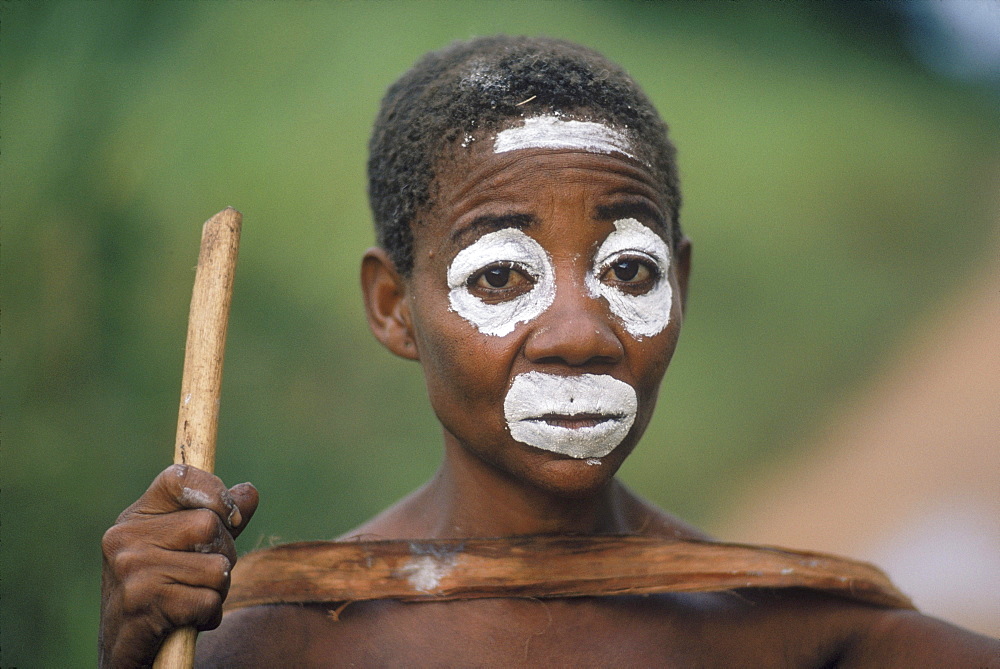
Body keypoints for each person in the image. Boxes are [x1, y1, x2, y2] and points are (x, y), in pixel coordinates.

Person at [100, 36, 999, 667]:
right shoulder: (272, 643)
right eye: (501, 278)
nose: (581, 332)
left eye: (630, 270)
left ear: (681, 283)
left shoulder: (799, 637)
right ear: (393, 308)